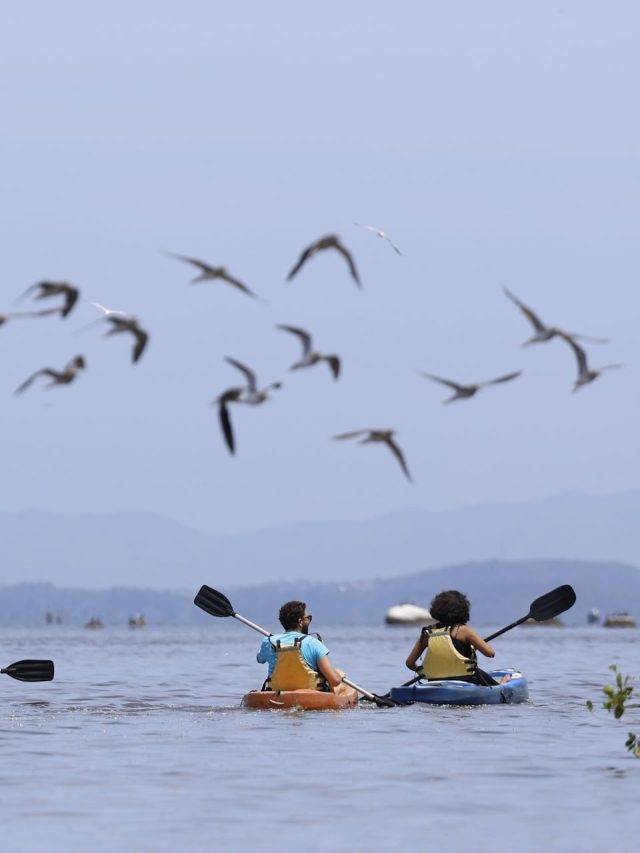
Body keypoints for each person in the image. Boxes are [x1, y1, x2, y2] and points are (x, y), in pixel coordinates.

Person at [405, 590, 510, 686]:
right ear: (463, 611)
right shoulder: (462, 630)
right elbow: (490, 653)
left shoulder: (428, 633)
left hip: (435, 682)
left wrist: (424, 673)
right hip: (465, 681)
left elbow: (409, 663)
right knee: (479, 672)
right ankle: (502, 685)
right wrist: (475, 646)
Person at [257, 600, 350, 694]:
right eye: (308, 618)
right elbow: (334, 681)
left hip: (278, 694)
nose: (309, 620)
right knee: (339, 678)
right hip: (311, 695)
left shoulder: (268, 641)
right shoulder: (314, 643)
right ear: (300, 621)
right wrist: (340, 676)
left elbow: (260, 659)